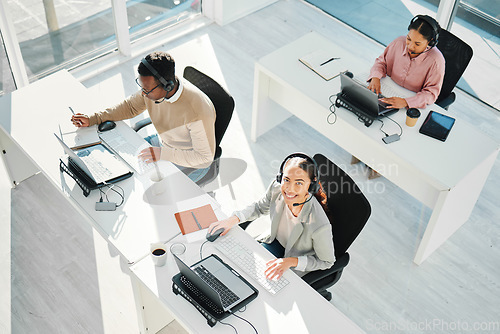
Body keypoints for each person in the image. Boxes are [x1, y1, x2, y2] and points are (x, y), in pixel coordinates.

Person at [71, 51, 216, 182]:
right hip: (163, 144)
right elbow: (130, 107)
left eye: (147, 90)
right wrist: (94, 118)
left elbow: (204, 159)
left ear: (168, 86)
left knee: (158, 196)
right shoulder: (151, 91)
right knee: (117, 159)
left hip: (189, 161)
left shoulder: (198, 112)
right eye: (142, 87)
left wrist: (163, 154)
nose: (143, 94)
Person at [208, 153, 335, 280]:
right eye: (286, 180)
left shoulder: (319, 224)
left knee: (262, 282)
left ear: (311, 185)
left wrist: (291, 261)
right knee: (238, 267)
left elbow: (327, 262)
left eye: (299, 183)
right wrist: (233, 219)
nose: (290, 189)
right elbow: (259, 207)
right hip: (274, 241)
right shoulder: (276, 188)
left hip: (296, 258)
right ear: (281, 178)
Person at [367, 15, 445, 109]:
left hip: (410, 102)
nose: (410, 46)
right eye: (408, 39)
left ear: (430, 42)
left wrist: (406, 102)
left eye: (417, 44)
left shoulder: (436, 61)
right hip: (387, 89)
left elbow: (431, 94)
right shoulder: (399, 42)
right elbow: (381, 62)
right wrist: (375, 77)